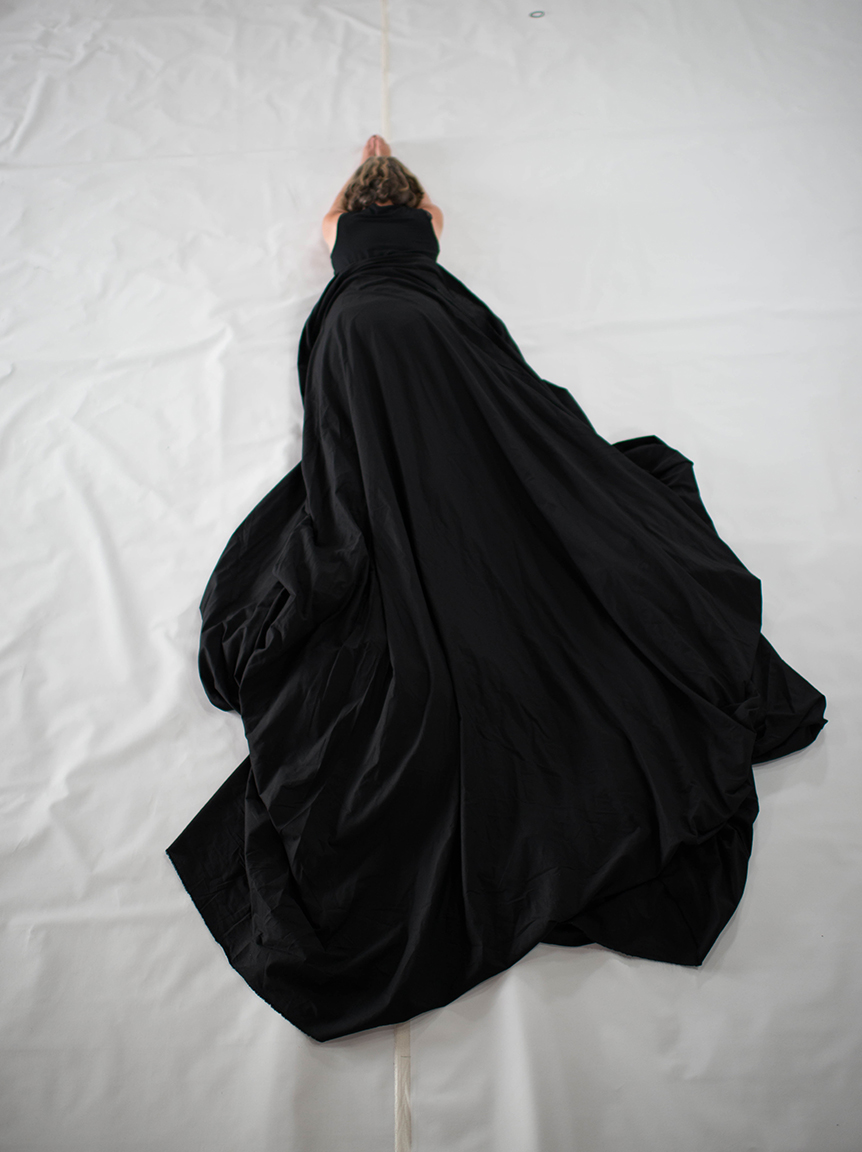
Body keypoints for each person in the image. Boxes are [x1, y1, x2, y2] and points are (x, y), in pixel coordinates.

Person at [167, 135, 827, 1043]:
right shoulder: (433, 249)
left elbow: (336, 239)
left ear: (343, 215)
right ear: (425, 215)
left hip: (362, 333)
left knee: (367, 492)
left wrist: (365, 177)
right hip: (433, 326)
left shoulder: (343, 265)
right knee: (512, 460)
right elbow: (460, 299)